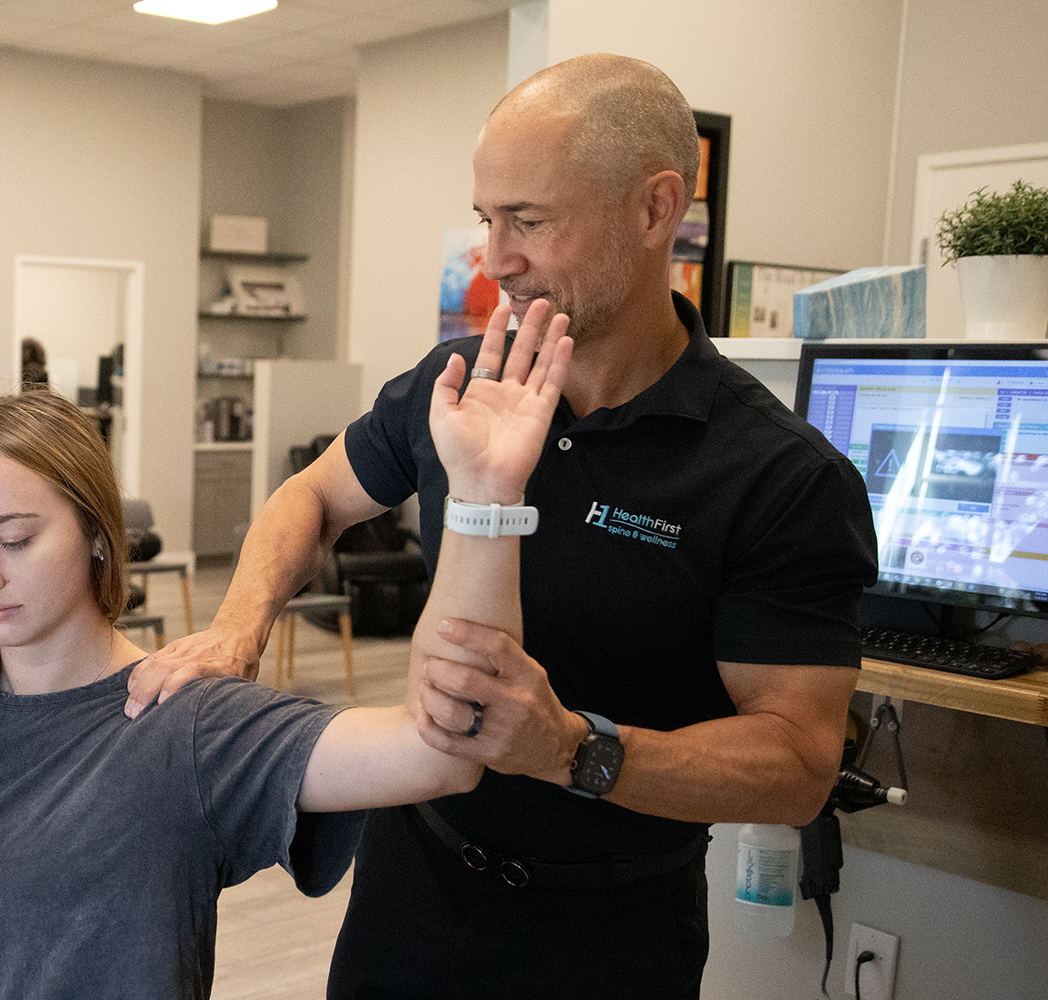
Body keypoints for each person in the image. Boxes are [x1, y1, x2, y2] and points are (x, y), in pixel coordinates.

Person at [126, 53, 878, 998]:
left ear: (655, 209)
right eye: (486, 219)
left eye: (529, 220)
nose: (496, 258)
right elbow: (308, 498)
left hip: (609, 933)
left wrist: (574, 748)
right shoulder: (454, 382)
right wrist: (238, 628)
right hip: (411, 891)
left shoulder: (778, 474)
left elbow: (798, 764)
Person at [0, 306, 571, 1000]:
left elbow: (441, 755)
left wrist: (484, 499)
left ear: (97, 535)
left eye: (15, 539)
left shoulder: (182, 724)